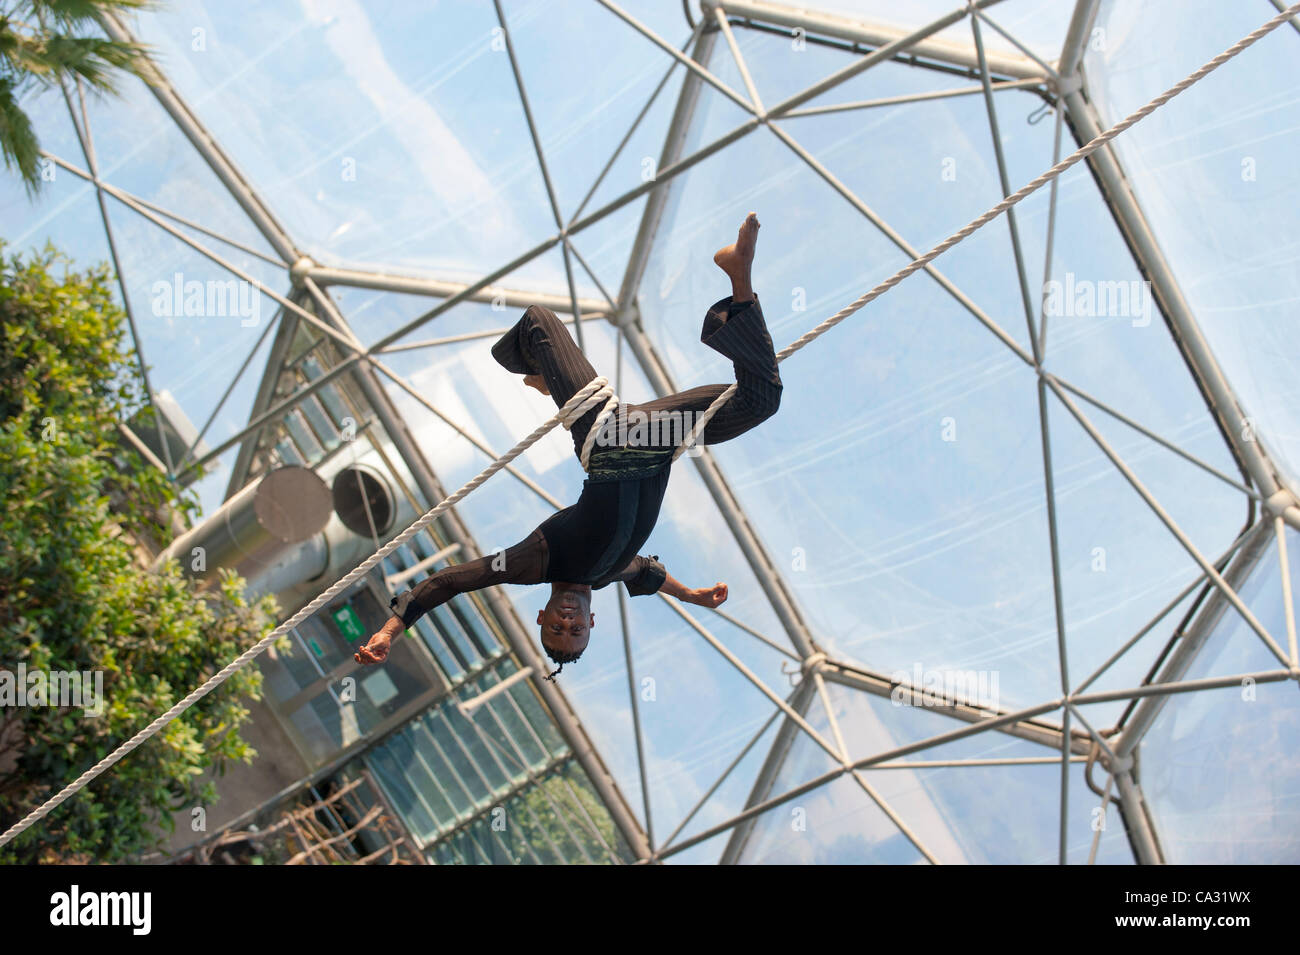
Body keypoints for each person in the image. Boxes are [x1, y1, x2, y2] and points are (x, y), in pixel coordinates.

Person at [355, 213, 782, 679]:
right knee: (762, 399)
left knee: (538, 322)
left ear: (542, 615)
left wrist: (391, 629)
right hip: (662, 438)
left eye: (555, 629)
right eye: (576, 632)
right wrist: (694, 596)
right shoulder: (608, 573)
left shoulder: (535, 561)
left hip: (605, 436)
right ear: (592, 624)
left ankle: (535, 369)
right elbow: (647, 574)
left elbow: (453, 581)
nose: (566, 623)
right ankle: (738, 275)